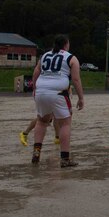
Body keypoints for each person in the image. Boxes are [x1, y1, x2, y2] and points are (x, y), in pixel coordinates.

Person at [29, 34, 85, 167]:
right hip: (59, 92)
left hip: (41, 90)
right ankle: (65, 159)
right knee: (65, 124)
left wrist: (35, 88)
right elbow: (76, 79)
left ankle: (36, 152)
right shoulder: (71, 58)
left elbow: (36, 71)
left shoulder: (44, 56)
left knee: (41, 121)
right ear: (66, 44)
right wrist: (81, 97)